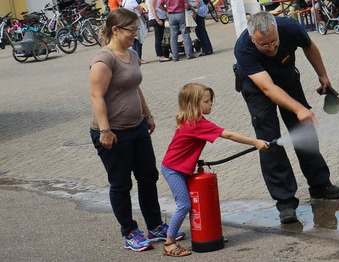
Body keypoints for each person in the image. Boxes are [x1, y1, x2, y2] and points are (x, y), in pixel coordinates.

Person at [233, 12, 339, 224]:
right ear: (252, 39)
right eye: (264, 45)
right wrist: (299, 108)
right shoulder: (243, 49)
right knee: (269, 141)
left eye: (274, 42)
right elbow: (268, 88)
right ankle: (285, 202)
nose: (271, 48)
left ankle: (320, 185)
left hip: (287, 77)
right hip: (258, 88)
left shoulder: (290, 27)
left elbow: (309, 46)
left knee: (304, 129)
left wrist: (322, 75)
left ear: (277, 30)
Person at [88, 8, 184, 252]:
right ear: (115, 30)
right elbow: (96, 97)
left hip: (137, 127)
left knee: (147, 177)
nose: (135, 34)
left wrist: (148, 115)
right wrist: (105, 130)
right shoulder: (103, 60)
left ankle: (154, 226)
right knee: (121, 184)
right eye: (131, 30)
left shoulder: (130, 54)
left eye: (137, 29)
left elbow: (135, 88)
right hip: (113, 132)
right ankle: (130, 232)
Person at [160, 83, 269, 257]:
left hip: (179, 168)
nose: (211, 104)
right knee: (185, 205)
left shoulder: (191, 119)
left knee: (195, 203)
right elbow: (229, 135)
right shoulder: (197, 124)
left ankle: (204, 233)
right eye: (207, 101)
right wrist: (255, 142)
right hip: (173, 170)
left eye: (210, 100)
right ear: (194, 104)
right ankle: (169, 243)